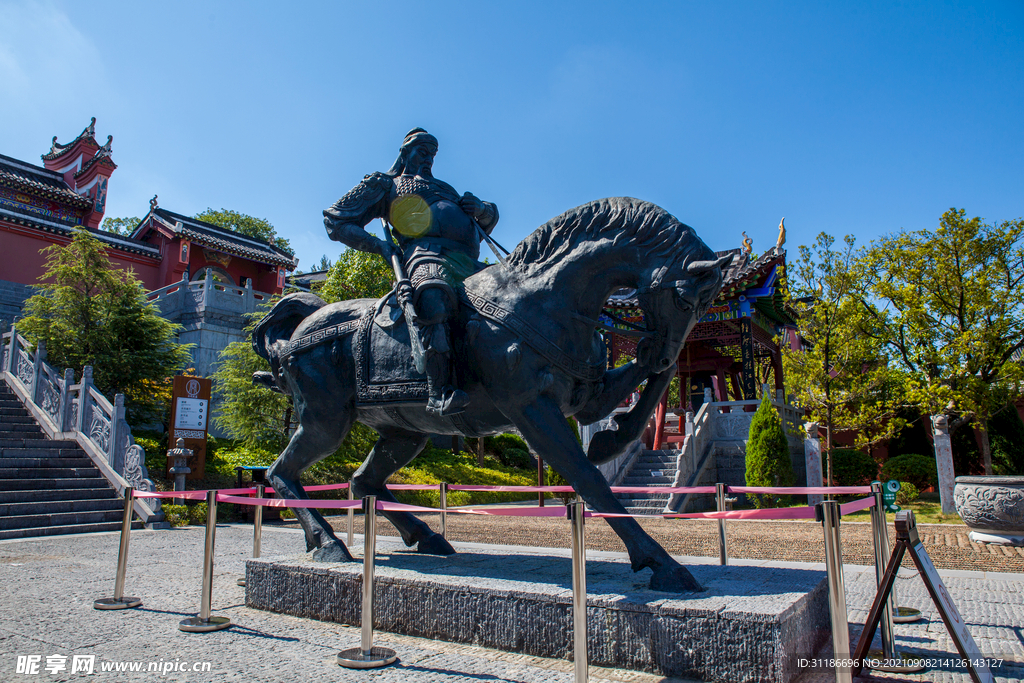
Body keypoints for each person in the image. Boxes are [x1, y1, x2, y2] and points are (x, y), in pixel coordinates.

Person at [324, 128, 499, 416]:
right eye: (422, 152)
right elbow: (336, 219)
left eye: (432, 154)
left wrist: (481, 209)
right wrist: (379, 246)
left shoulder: (445, 188)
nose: (428, 158)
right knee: (431, 294)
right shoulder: (384, 184)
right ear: (405, 151)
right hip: (426, 255)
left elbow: (486, 221)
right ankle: (439, 390)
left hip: (468, 262)